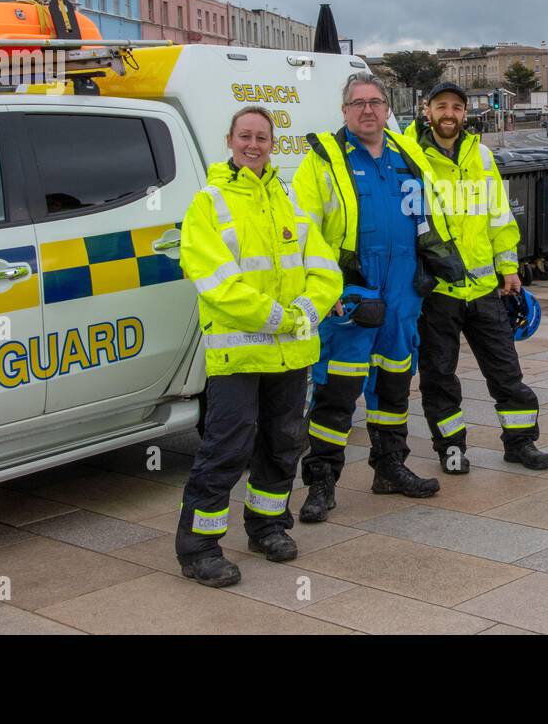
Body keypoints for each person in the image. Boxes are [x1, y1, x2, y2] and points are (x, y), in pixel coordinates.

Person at [175, 106, 342, 587]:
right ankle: (199, 548)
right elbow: (215, 281)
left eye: (262, 137)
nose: (253, 145)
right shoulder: (209, 202)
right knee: (227, 447)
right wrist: (280, 317)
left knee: (282, 443)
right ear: (229, 140)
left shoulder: (288, 198)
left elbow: (324, 267)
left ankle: (267, 526)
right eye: (245, 136)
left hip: (291, 353)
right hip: (240, 354)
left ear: (272, 143)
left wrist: (310, 309)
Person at [293, 73, 467, 522]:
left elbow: (432, 216)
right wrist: (323, 288)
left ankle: (390, 467)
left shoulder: (407, 155)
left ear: (388, 109)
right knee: (337, 389)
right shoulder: (322, 160)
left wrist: (435, 269)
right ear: (344, 111)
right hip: (350, 292)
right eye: (357, 103)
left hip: (404, 289)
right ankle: (321, 481)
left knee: (393, 385)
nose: (367, 110)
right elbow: (305, 232)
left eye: (375, 102)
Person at [408, 82, 548, 472]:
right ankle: (451, 451)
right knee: (439, 378)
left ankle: (520, 442)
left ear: (465, 113)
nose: (449, 114)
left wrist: (508, 268)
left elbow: (499, 216)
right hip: (438, 291)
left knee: (506, 371)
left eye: (456, 107)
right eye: (441, 106)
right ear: (427, 110)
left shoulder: (482, 156)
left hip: (485, 289)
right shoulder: (408, 156)